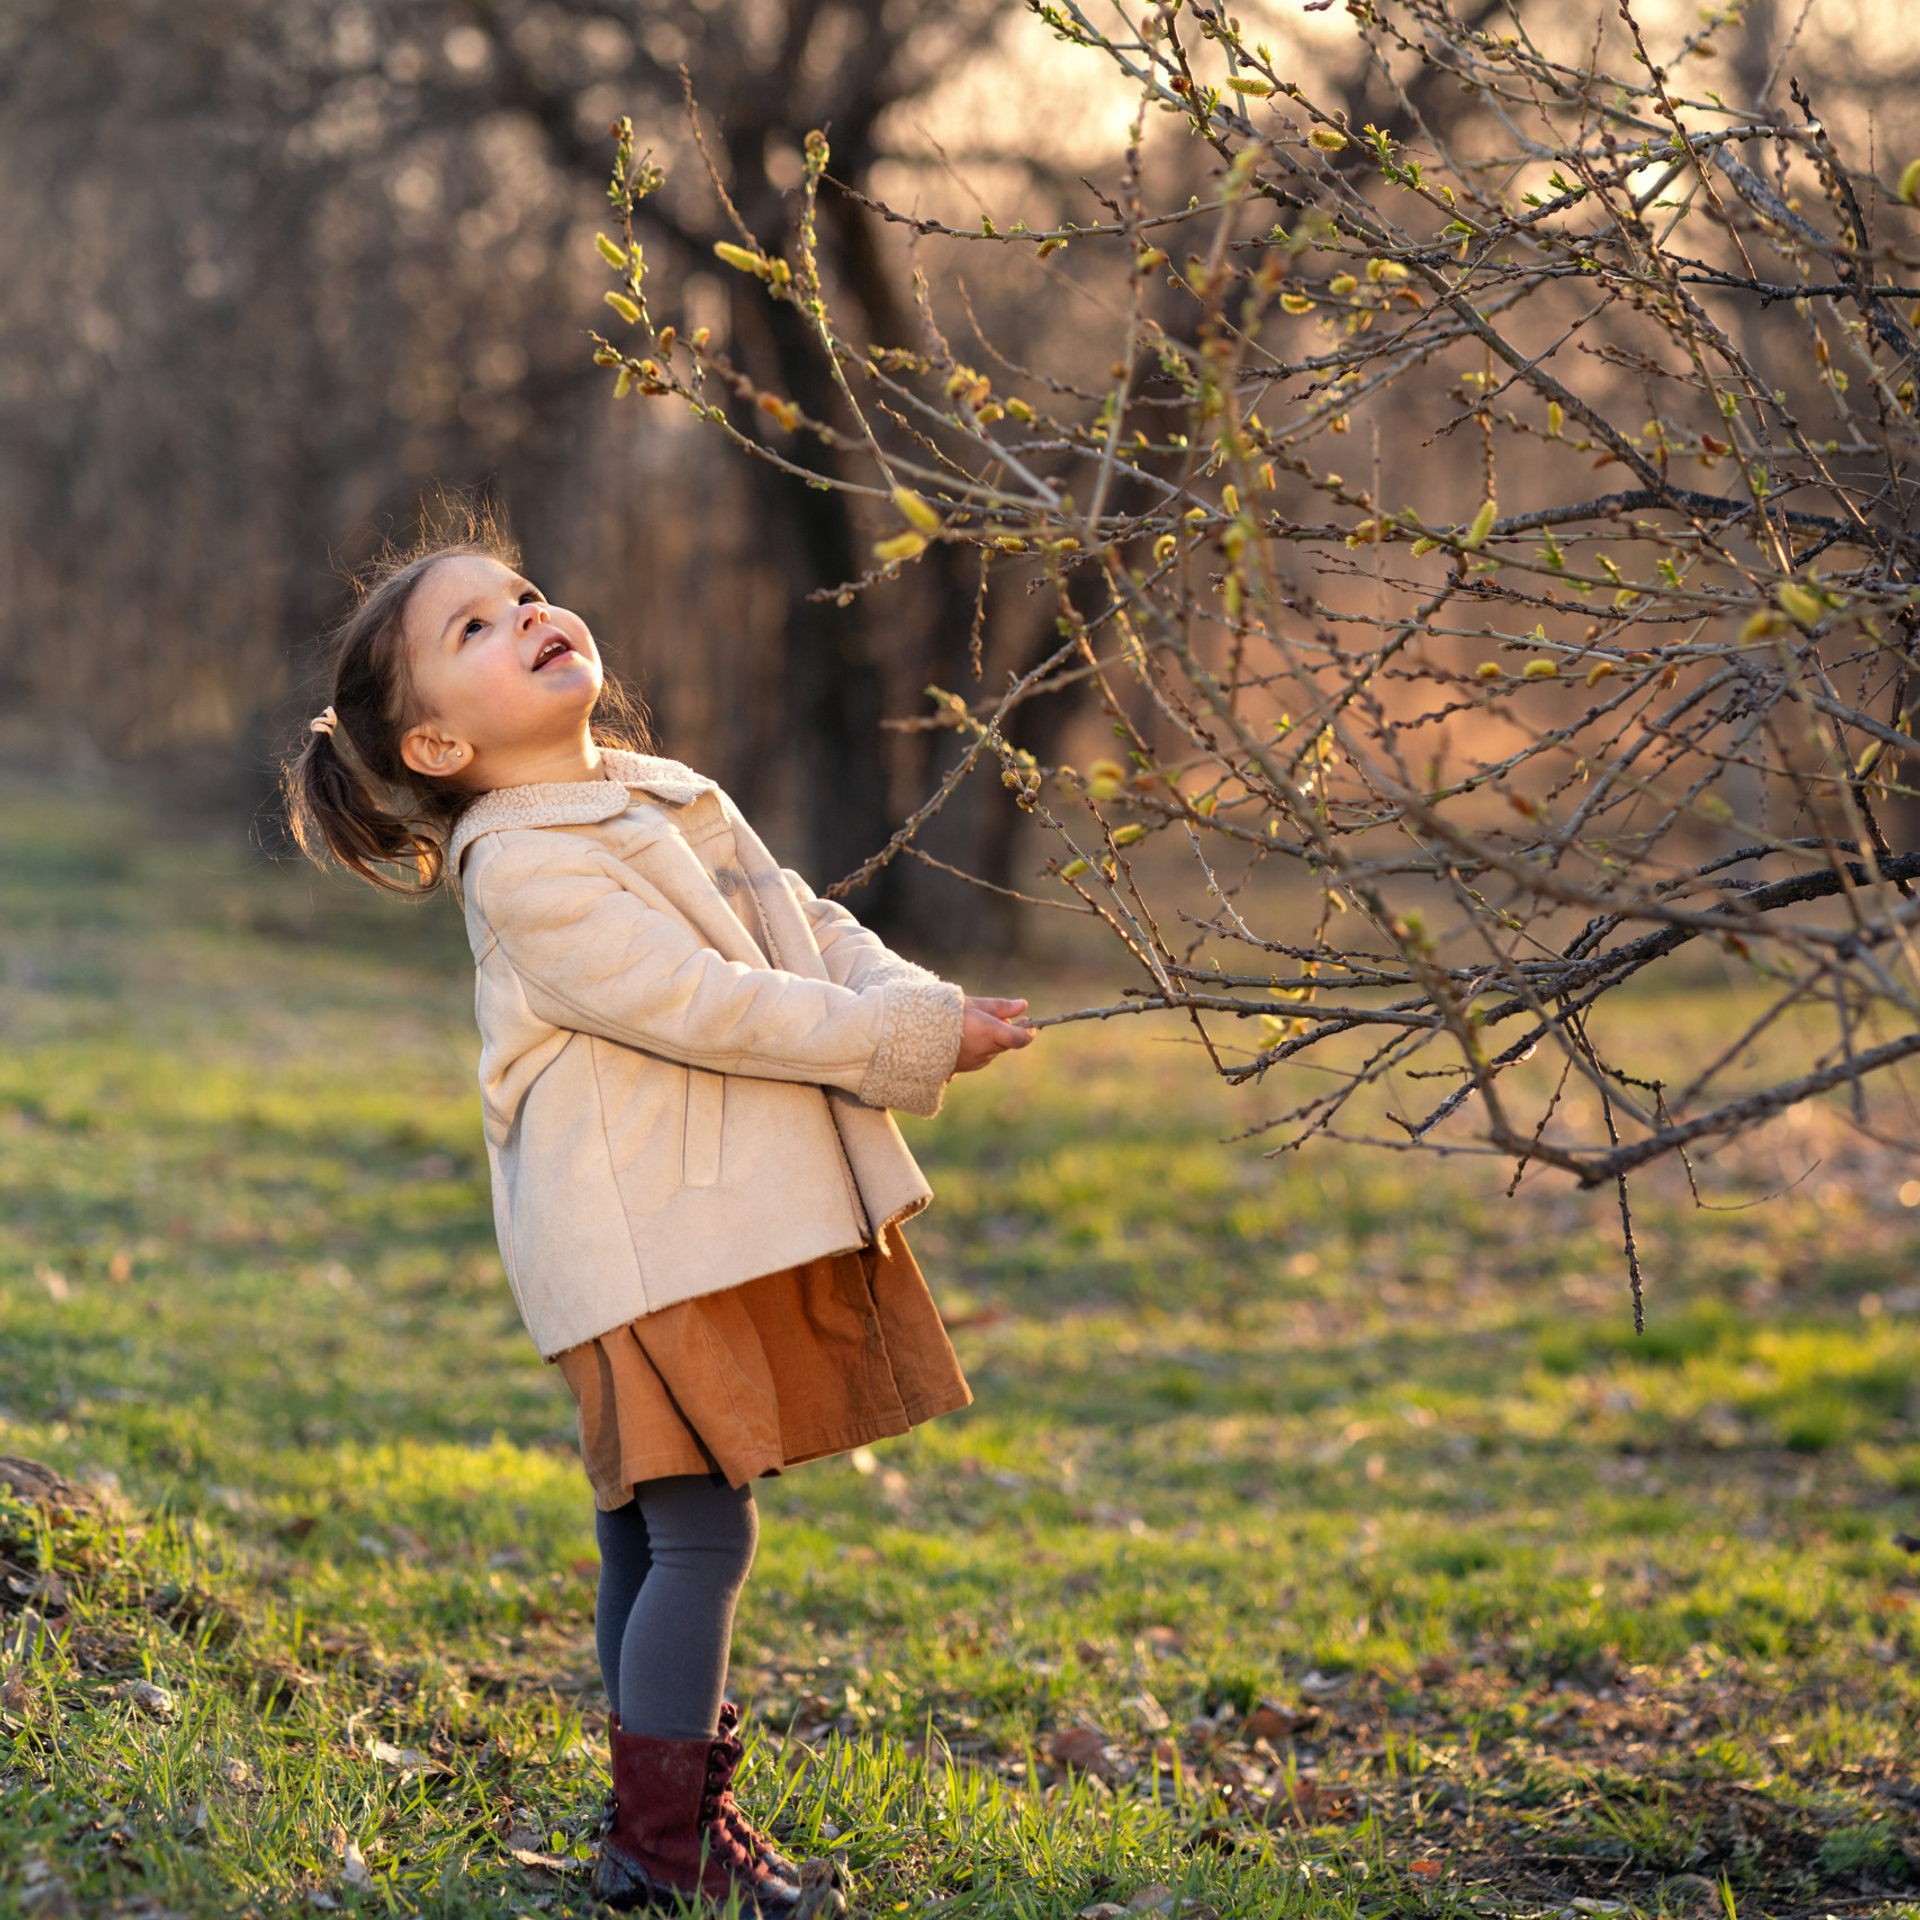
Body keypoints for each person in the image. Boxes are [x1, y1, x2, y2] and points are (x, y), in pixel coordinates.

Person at [285, 527, 1035, 1913]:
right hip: (633, 1249)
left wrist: (932, 1008)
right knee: (698, 1533)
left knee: (654, 1531)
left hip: (681, 1229)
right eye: (475, 632)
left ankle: (657, 1830)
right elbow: (714, 1004)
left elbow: (795, 927)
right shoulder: (523, 868)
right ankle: (664, 1840)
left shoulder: (647, 795)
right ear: (440, 748)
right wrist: (899, 1039)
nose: (527, 617)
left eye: (522, 597)